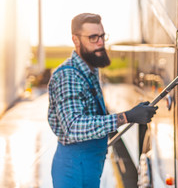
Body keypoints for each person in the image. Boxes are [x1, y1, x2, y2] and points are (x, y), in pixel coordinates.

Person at [47, 13, 158, 188]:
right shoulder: (67, 76)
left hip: (88, 165)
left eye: (102, 36)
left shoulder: (90, 70)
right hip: (74, 169)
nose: (100, 42)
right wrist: (126, 117)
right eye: (93, 37)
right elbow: (73, 127)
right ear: (75, 40)